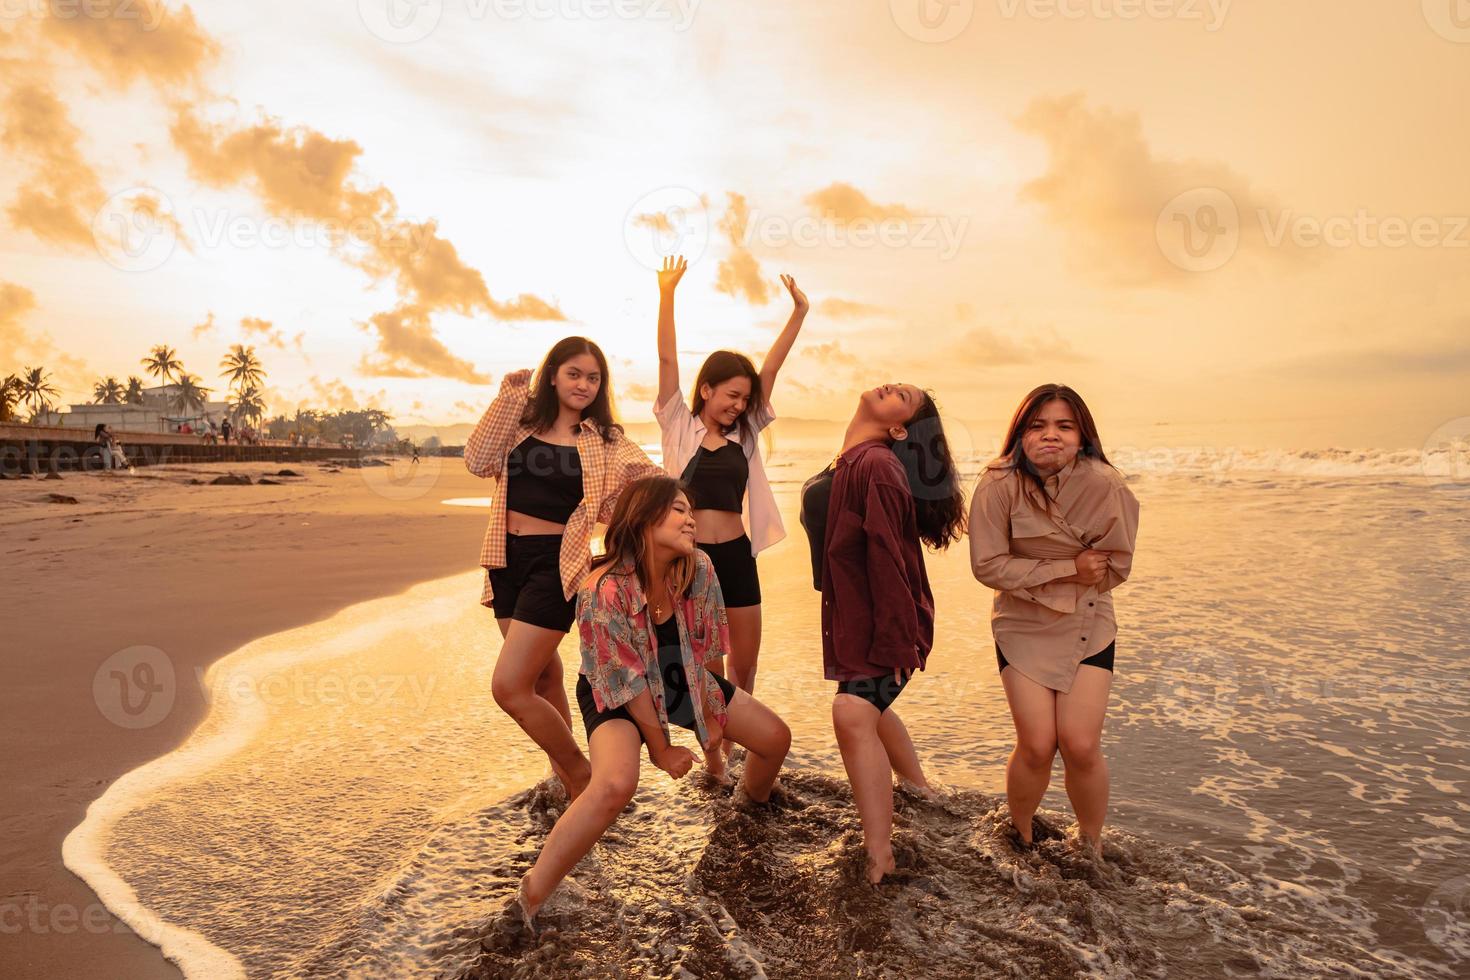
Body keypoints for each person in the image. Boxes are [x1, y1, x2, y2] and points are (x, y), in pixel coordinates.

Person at [509, 476, 791, 930]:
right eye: (678, 510)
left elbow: (704, 648)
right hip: (616, 694)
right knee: (614, 786)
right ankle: (530, 897)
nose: (690, 520)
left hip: (682, 679)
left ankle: (750, 805)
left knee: (775, 738)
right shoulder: (603, 590)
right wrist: (661, 749)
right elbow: (628, 681)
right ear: (643, 518)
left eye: (689, 510)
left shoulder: (698, 568)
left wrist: (710, 729)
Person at [465, 337, 663, 801]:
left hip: (556, 565)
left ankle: (581, 775)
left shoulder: (604, 439)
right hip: (505, 560)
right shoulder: (519, 426)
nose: (584, 384)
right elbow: (477, 460)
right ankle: (566, 783)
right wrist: (509, 397)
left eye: (593, 378)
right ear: (552, 374)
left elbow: (646, 478)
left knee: (510, 687)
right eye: (574, 374)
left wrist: (672, 501)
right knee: (543, 678)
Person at [798, 383, 966, 883]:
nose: (895, 386)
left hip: (885, 622)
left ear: (899, 429)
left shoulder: (877, 466)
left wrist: (896, 640)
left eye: (906, 399)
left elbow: (893, 561)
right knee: (870, 708)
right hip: (860, 617)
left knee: (852, 713)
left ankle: (879, 857)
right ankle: (920, 792)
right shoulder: (850, 460)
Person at [969, 384, 1140, 858]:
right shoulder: (997, 484)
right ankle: (1019, 835)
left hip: (1088, 621)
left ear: (1082, 435)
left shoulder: (1108, 485)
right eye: (1038, 426)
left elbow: (1117, 568)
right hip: (1021, 624)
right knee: (1038, 743)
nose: (1051, 436)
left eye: (1064, 426)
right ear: (1021, 434)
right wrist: (1069, 568)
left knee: (1081, 745)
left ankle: (1091, 847)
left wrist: (1070, 578)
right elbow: (987, 566)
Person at [652, 255, 808, 699]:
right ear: (707, 390)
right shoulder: (679, 426)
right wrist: (667, 294)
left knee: (746, 663)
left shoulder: (746, 434)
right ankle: (717, 757)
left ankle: (744, 748)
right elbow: (666, 359)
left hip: (739, 556)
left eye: (745, 399)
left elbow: (771, 370)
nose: (739, 405)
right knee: (707, 663)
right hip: (691, 557)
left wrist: (799, 313)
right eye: (732, 396)